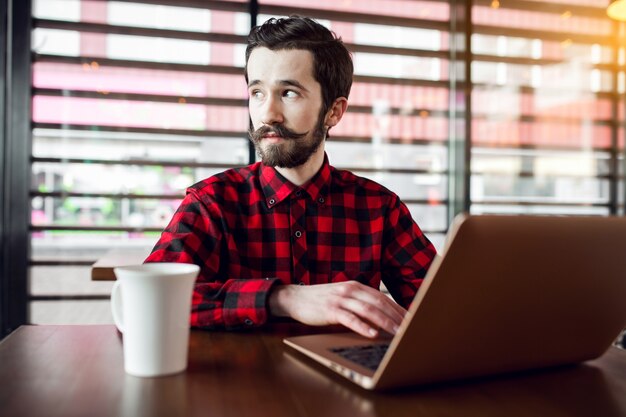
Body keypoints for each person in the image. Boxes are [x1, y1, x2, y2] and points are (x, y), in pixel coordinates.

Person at [145, 16, 437, 338]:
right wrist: (283, 297)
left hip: (346, 384)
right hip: (238, 384)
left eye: (288, 93)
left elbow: (445, 308)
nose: (268, 114)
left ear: (334, 112)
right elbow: (149, 298)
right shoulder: (211, 203)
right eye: (257, 92)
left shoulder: (380, 209)